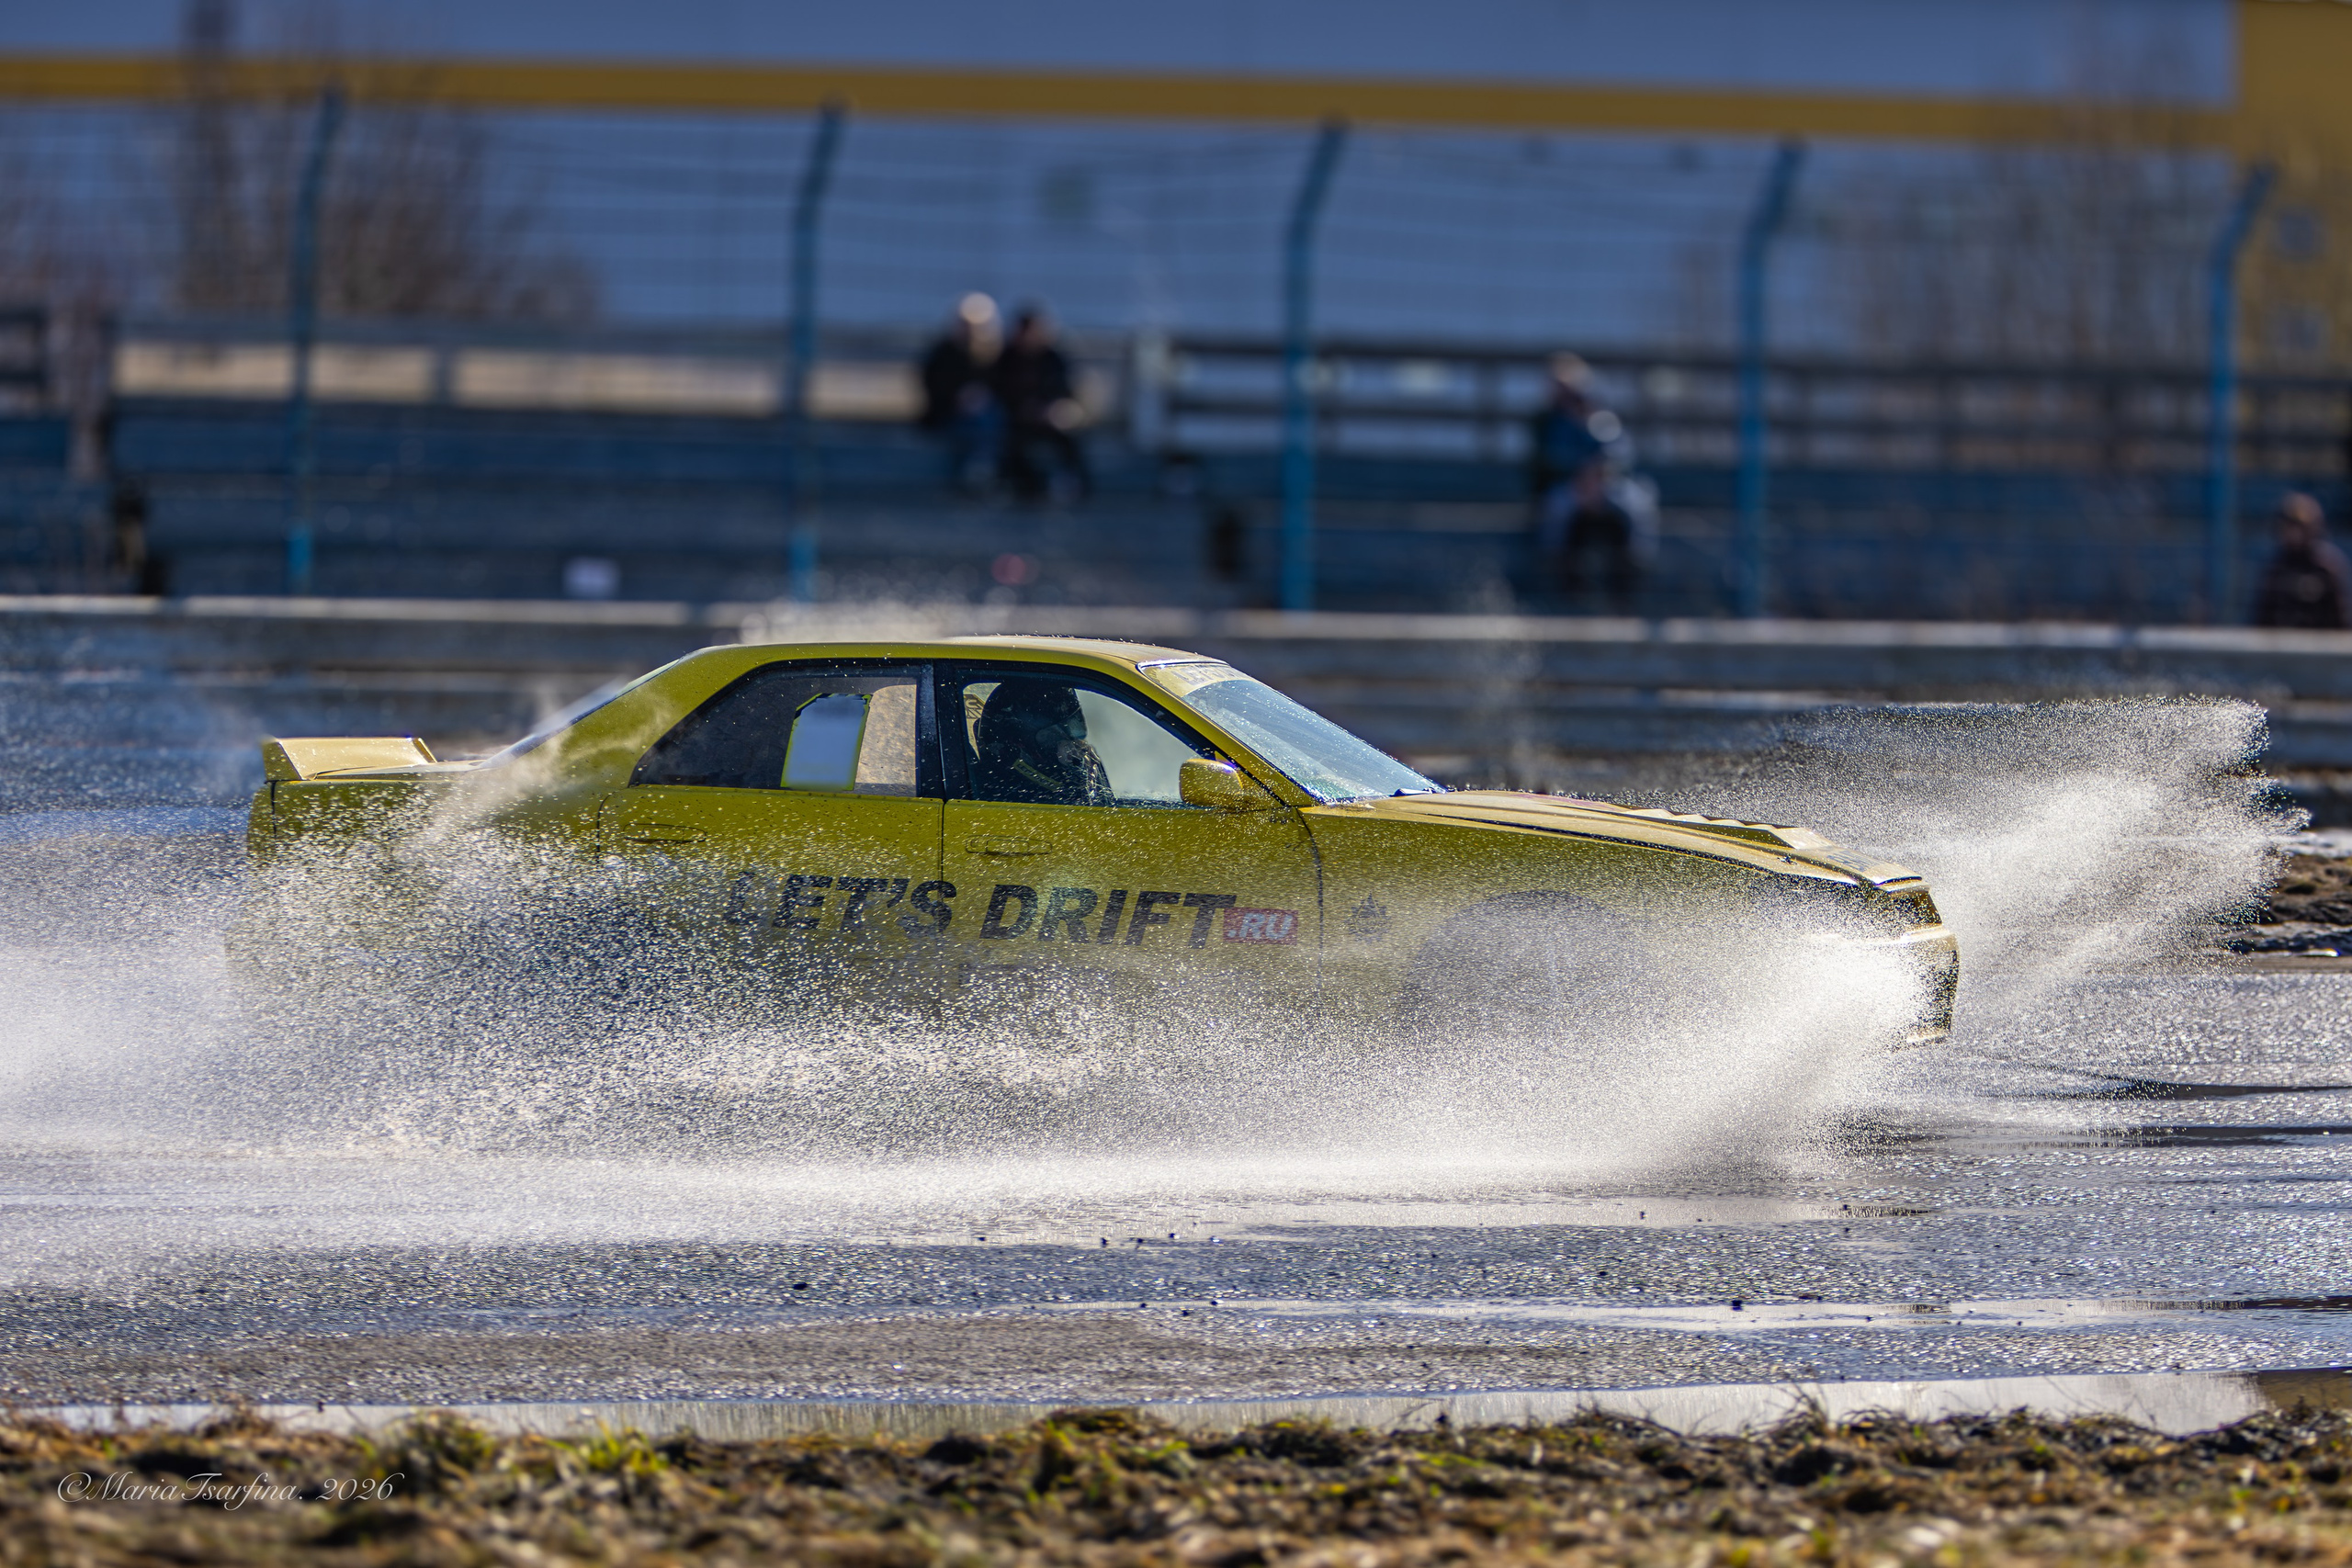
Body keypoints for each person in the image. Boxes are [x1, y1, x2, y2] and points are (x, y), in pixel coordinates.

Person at [1526, 354, 1635, 611]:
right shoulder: (1548, 421)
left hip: (1604, 488)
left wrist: (1599, 477)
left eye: (1572, 390)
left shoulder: (1600, 417)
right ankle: (1563, 585)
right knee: (1558, 510)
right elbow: (1550, 460)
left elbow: (1620, 453)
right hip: (1569, 488)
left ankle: (1628, 585)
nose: (1569, 396)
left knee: (1635, 506)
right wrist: (1580, 481)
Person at [989, 305, 1091, 502]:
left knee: (1069, 435)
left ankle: (1076, 483)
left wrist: (1053, 408)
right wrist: (1026, 408)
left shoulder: (1053, 358)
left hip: (1049, 416)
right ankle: (1028, 487)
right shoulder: (1007, 358)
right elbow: (1000, 390)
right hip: (1016, 418)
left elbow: (1066, 390)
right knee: (1011, 442)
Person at [972, 681, 1111, 806]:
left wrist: (1086, 773)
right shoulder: (1015, 798)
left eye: (1073, 735)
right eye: (1054, 738)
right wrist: (1077, 780)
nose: (1076, 747)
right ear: (1019, 745)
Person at [916, 293, 1001, 492]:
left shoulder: (992, 354)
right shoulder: (943, 353)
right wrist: (957, 399)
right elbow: (932, 387)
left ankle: (978, 473)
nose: (972, 330)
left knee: (988, 419)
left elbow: (1000, 386)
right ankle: (977, 473)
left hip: (983, 416)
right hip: (947, 414)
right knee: (977, 426)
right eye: (966, 324)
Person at [2254, 491, 2352, 628]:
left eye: (2298, 526)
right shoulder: (2276, 567)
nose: (2293, 533)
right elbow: (2262, 618)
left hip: (2322, 646)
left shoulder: (2327, 566)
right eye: (2288, 525)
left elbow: (2341, 619)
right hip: (2281, 645)